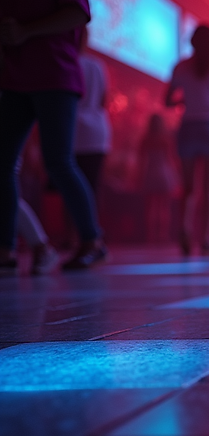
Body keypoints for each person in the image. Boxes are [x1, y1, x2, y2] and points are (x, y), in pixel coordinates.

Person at [0, 0, 108, 273]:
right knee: (3, 164)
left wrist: (25, 30)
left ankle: (91, 240)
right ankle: (5, 249)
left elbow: (78, 13)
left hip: (55, 74)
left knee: (58, 162)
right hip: (14, 78)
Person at [165, 24, 209, 256]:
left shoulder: (181, 67)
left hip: (188, 126)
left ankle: (185, 230)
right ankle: (207, 239)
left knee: (188, 187)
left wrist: (186, 102)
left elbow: (168, 101)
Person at [74, 25, 109, 199]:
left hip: (74, 132)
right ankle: (88, 226)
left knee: (71, 188)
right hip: (98, 135)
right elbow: (103, 101)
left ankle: (70, 227)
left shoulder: (69, 62)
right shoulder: (98, 65)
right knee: (91, 189)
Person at [137, 113, 178, 243]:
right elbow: (170, 159)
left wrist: (138, 177)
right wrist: (175, 176)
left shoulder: (145, 140)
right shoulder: (165, 139)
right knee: (164, 207)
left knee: (150, 208)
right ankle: (162, 236)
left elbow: (141, 162)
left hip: (150, 173)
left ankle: (150, 236)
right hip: (164, 174)